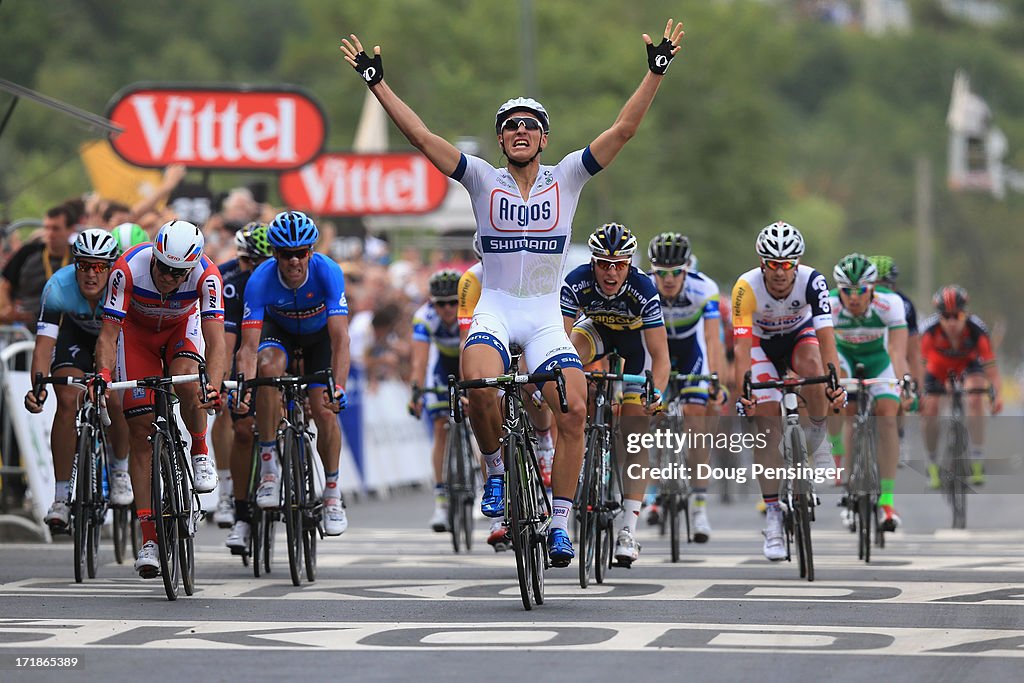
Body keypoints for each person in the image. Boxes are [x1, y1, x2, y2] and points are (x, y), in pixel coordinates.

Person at [341, 18, 685, 568]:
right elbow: (422, 138)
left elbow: (622, 130)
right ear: (501, 139)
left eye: (529, 125)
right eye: (509, 126)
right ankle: (496, 470)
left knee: (574, 408)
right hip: (497, 309)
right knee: (478, 384)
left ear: (544, 138)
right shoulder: (480, 177)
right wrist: (377, 83)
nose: (519, 131)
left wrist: (655, 72)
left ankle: (560, 522)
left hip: (547, 318)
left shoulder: (568, 176)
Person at [95, 220, 226, 578]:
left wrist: (212, 385)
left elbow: (217, 343)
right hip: (135, 338)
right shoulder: (126, 270)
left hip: (181, 330)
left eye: (178, 272)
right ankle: (149, 539)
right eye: (164, 267)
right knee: (139, 433)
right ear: (154, 255)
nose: (169, 277)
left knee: (188, 383)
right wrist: (105, 378)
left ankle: (199, 452)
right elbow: (108, 335)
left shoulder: (207, 276)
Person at [732, 221, 846, 561]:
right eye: (772, 264)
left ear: (796, 264)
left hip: (799, 339)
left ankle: (819, 438)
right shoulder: (745, 288)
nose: (780, 272)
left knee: (815, 367)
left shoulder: (814, 281)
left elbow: (827, 341)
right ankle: (773, 517)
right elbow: (741, 350)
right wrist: (745, 392)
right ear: (761, 262)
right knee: (766, 428)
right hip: (761, 346)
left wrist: (834, 386)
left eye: (786, 265)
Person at [234, 211, 351, 537]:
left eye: (301, 253)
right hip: (279, 334)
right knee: (268, 371)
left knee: (326, 409)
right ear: (275, 254)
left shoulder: (328, 272)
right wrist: (244, 388)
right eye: (287, 254)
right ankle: (269, 467)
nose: (294, 261)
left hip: (319, 341)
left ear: (310, 252)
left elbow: (341, 339)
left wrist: (338, 387)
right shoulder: (260, 280)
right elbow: (247, 348)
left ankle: (331, 495)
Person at [561, 223, 669, 567]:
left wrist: (658, 392)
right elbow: (558, 341)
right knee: (569, 355)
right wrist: (558, 380)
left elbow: (661, 356)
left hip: (636, 346)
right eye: (604, 264)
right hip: (596, 332)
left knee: (635, 432)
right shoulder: (576, 281)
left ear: (629, 265)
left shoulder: (643, 289)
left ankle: (628, 530)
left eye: (619, 264)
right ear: (593, 263)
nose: (611, 272)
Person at [25, 229, 133, 530]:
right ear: (75, 265)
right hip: (75, 342)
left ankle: (120, 469)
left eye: (99, 266)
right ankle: (60, 497)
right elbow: (44, 345)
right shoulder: (58, 285)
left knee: (113, 396)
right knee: (67, 399)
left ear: (112, 268)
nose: (91, 273)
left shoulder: (123, 286)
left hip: (114, 341)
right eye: (84, 265)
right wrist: (38, 385)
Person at [645, 232, 724, 542]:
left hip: (691, 353)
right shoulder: (643, 287)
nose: (668, 279)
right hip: (656, 354)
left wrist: (715, 377)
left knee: (695, 418)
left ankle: (700, 508)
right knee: (647, 418)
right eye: (661, 272)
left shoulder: (704, 289)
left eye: (675, 271)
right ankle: (652, 494)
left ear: (687, 268)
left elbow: (713, 340)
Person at [828, 254, 910, 530]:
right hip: (844, 359)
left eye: (860, 290)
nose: (853, 297)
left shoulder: (890, 304)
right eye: (846, 291)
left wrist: (904, 382)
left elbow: (898, 352)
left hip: (878, 360)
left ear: (872, 288)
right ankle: (851, 484)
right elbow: (823, 351)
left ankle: (886, 500)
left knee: (888, 413)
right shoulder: (828, 306)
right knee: (849, 409)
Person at [220, 225, 274, 553]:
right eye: (248, 261)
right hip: (242, 347)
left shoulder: (285, 277)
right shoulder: (231, 282)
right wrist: (227, 385)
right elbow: (226, 345)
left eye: (263, 261)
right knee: (241, 429)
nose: (254, 268)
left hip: (279, 346)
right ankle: (240, 511)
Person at [919, 285, 1002, 487]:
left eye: (957, 316)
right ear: (939, 316)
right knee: (930, 409)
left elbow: (991, 368)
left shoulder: (977, 329)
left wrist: (996, 396)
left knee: (975, 398)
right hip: (938, 368)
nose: (952, 322)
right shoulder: (928, 331)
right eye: (946, 316)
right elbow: (920, 369)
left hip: (968, 365)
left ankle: (977, 459)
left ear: (965, 314)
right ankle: (931, 463)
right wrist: (919, 394)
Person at [408, 270, 463, 532]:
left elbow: (470, 352)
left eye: (453, 302)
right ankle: (441, 502)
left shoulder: (471, 311)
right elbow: (420, 361)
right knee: (441, 426)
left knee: (481, 417)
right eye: (441, 303)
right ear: (432, 303)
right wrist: (416, 392)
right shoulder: (424, 317)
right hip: (442, 367)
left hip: (469, 361)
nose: (448, 309)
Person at [0, 204, 76, 324]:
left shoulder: (78, 258)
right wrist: (9, 309)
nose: (50, 234)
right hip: (26, 327)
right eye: (47, 228)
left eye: (56, 228)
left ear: (71, 230)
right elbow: (5, 285)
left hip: (66, 324)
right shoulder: (28, 252)